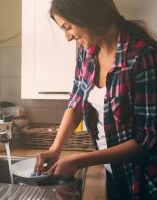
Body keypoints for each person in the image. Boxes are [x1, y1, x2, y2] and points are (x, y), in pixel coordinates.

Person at [34, 0, 157, 199]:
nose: (67, 37)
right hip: (111, 172)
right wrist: (55, 149)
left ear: (87, 14)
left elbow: (148, 139)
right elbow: (76, 101)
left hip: (142, 180)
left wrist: (80, 160)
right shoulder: (86, 53)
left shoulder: (142, 56)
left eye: (68, 27)